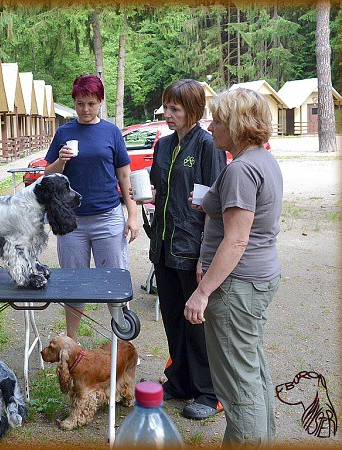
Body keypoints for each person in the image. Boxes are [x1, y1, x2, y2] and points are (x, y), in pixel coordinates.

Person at [184, 87, 283, 446]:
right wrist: (211, 204)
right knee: (251, 373)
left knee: (237, 385)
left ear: (238, 125)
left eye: (218, 121)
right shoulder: (261, 159)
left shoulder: (242, 169)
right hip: (255, 281)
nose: (210, 127)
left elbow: (237, 239)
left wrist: (203, 291)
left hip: (236, 289)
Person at [145, 79, 226, 419]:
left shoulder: (208, 146)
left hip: (192, 246)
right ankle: (179, 380)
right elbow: (158, 186)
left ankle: (210, 392)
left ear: (193, 111)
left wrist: (206, 258)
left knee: (197, 323)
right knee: (173, 319)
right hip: (163, 245)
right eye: (166, 107)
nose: (168, 114)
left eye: (175, 109)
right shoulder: (163, 144)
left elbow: (215, 205)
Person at [44, 74, 139, 343]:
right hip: (71, 222)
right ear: (74, 103)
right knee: (74, 285)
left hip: (108, 217)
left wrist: (132, 215)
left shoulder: (111, 132)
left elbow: (124, 175)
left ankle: (123, 345)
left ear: (100, 102)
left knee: (114, 282)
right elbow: (47, 174)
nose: (85, 110)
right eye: (80, 103)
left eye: (91, 103)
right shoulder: (64, 133)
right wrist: (60, 161)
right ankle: (71, 343)